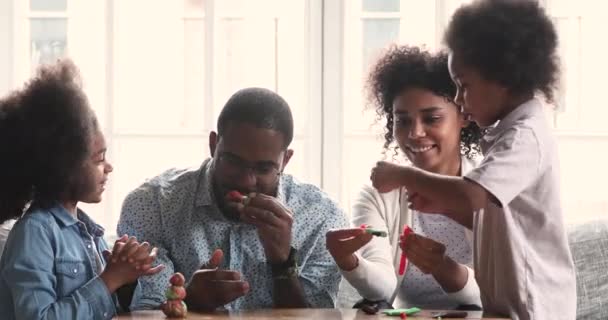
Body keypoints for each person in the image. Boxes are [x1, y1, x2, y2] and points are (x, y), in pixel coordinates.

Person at [369, 1, 576, 319]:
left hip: (536, 307)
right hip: (510, 306)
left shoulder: (525, 137)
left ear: (504, 77)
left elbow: (472, 194)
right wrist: (448, 208)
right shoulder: (508, 135)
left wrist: (403, 175)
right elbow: (503, 224)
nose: (458, 99)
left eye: (464, 86)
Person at [118, 87, 348, 311]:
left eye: (264, 168)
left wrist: (283, 263)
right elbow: (145, 313)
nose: (247, 181)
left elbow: (317, 316)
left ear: (285, 160)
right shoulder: (152, 205)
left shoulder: (322, 219)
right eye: (233, 162)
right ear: (213, 145)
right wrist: (191, 300)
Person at [0, 60, 163, 319]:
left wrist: (125, 279)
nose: (108, 167)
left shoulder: (90, 233)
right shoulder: (35, 233)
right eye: (98, 159)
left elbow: (100, 311)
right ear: (63, 164)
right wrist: (109, 280)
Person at [327, 45, 482, 309]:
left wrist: (444, 268)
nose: (415, 133)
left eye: (432, 118)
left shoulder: (489, 189)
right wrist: (349, 261)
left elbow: (501, 291)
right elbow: (383, 287)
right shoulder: (378, 194)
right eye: (403, 120)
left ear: (463, 117)